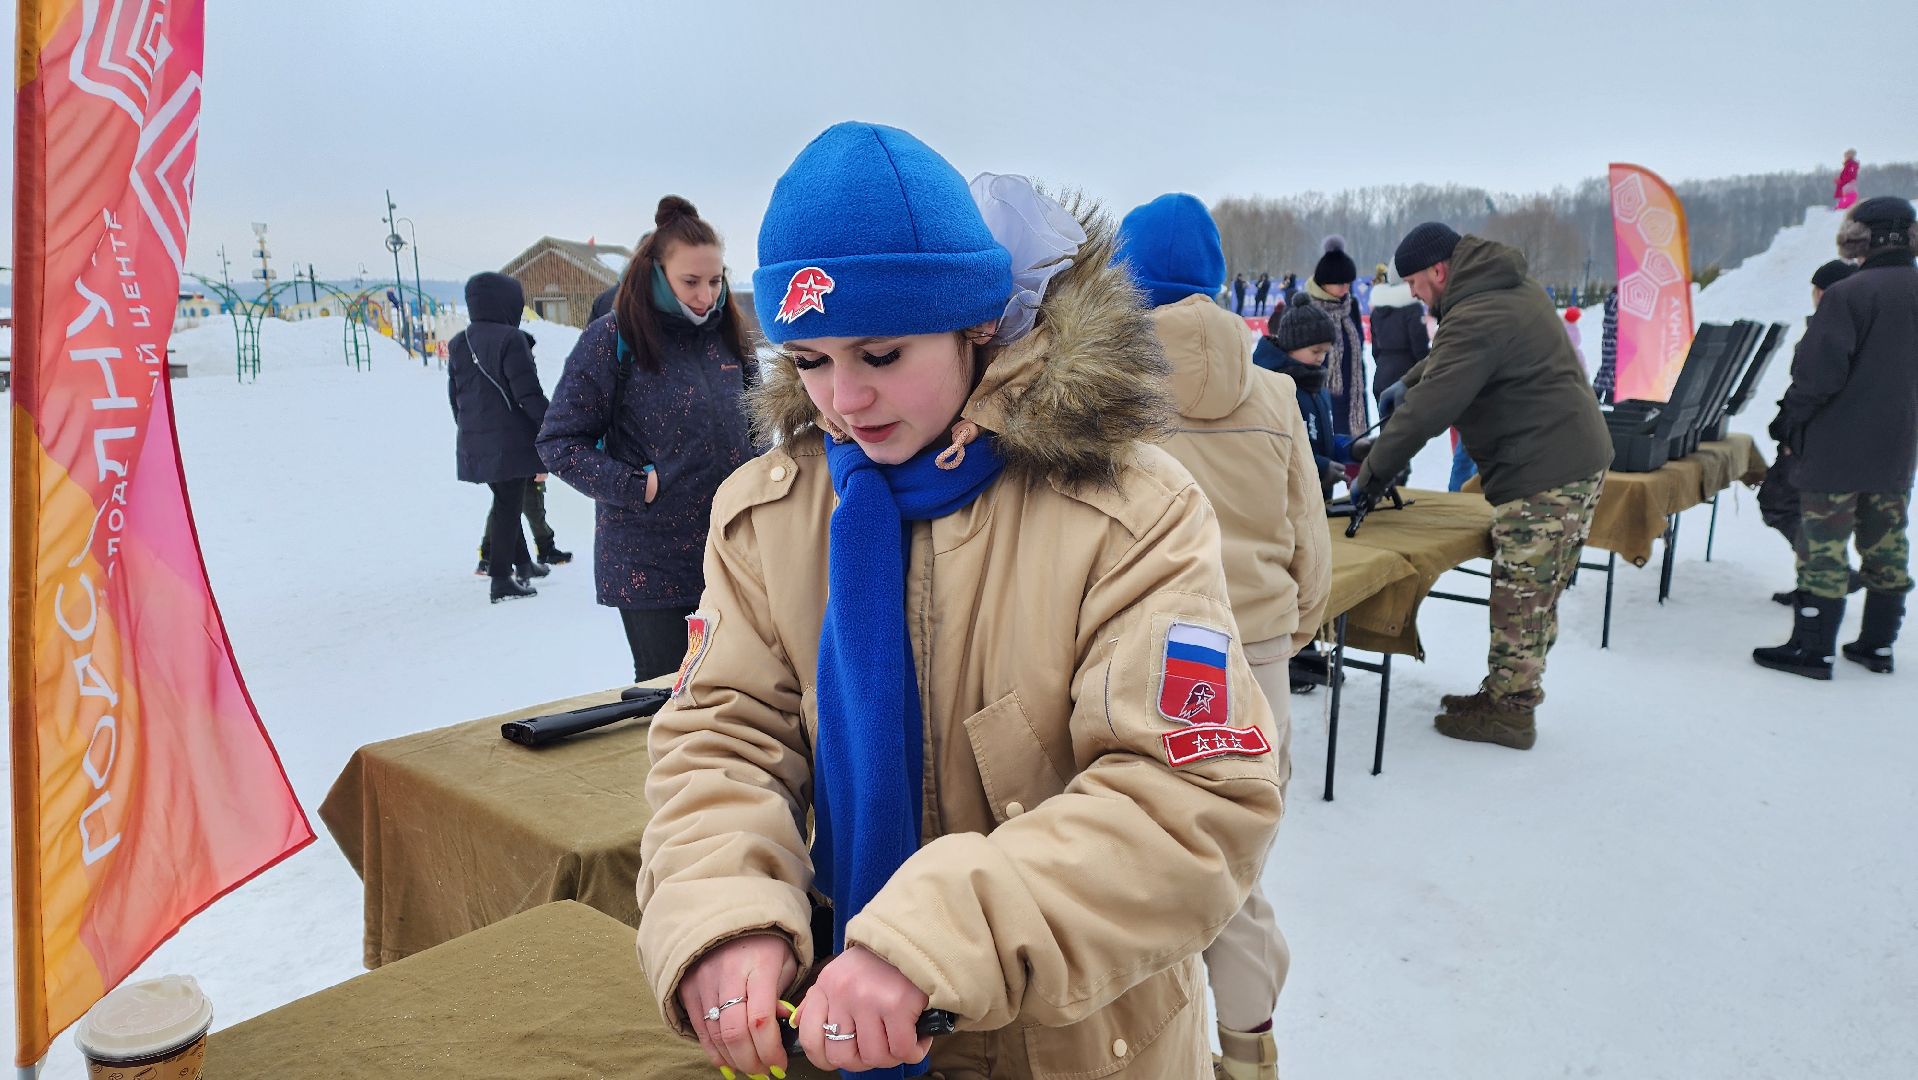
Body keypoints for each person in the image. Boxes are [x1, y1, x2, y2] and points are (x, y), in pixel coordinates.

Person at [635, 122, 1284, 1080]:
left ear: (975, 322)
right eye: (809, 360)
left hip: (1076, 1047)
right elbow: (720, 739)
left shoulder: (1128, 509)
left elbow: (1192, 797)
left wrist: (937, 937)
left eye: (882, 354)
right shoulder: (766, 514)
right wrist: (724, 909)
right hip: (834, 1034)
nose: (843, 400)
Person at [1118, 191, 1330, 1080]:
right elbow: (1309, 543)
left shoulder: (1109, 391)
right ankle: (1250, 1054)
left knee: (1138, 862)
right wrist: (1286, 628)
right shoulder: (1275, 391)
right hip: (1260, 658)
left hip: (1143, 661)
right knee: (1234, 872)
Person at [1354, 222, 1612, 750]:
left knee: (1522, 595)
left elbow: (1431, 409)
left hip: (1548, 469)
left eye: (1418, 286)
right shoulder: (1502, 288)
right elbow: (1451, 357)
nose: (1418, 298)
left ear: (1439, 271)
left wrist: (1372, 476)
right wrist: (1410, 381)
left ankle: (1510, 714)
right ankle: (1503, 695)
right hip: (1566, 458)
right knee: (1532, 592)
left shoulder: (1481, 311)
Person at [538, 196, 754, 685]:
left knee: (734, 687)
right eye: (691, 281)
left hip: (730, 553)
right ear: (655, 273)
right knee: (666, 693)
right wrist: (638, 486)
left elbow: (757, 424)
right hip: (650, 562)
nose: (706, 295)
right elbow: (559, 441)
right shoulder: (613, 338)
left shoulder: (728, 337)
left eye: (716, 281)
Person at [1756, 197, 1916, 679]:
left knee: (1824, 548)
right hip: (1897, 448)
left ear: (1861, 236)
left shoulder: (1851, 294)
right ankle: (1877, 646)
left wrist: (1788, 422)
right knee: (1886, 544)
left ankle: (1813, 650)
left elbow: (1818, 376)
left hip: (1836, 448)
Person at [1256, 299, 1350, 697]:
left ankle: (1306, 648)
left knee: (1311, 569)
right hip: (1281, 505)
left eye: (1325, 354)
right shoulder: (1272, 384)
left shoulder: (1312, 382)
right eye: (1315, 352)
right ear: (1291, 345)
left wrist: (1347, 449)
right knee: (1292, 573)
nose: (1321, 360)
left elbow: (1319, 436)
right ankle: (1288, 655)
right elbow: (1277, 450)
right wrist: (1320, 464)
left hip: (1316, 499)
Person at [1757, 259, 1859, 606]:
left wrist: (1791, 434)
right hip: (1827, 439)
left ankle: (1825, 576)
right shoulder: (1856, 324)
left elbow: (1811, 389)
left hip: (1810, 438)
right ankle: (1814, 580)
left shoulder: (1829, 329)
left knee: (1781, 505)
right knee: (1804, 512)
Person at [447, 272, 550, 603]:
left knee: (507, 501)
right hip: (510, 440)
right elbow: (528, 393)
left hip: (474, 438)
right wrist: (553, 425)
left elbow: (456, 396)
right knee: (508, 504)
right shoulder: (511, 339)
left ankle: (522, 564)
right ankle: (502, 578)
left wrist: (469, 431)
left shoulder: (460, 342)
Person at [1303, 237, 1368, 437]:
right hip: (1321, 392)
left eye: (1348, 282)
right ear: (1324, 283)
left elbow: (1359, 342)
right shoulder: (1307, 308)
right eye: (1339, 283)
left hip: (1354, 391)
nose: (1345, 288)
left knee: (1355, 449)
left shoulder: (1352, 306)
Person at [474, 473, 571, 576]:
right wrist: (541, 467)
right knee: (524, 503)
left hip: (505, 465)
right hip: (520, 465)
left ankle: (488, 556)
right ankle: (545, 549)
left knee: (504, 504)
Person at [1367, 275, 1430, 406]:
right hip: (1408, 376)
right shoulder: (1413, 308)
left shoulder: (1377, 310)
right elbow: (1420, 348)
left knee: (1387, 425)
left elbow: (1375, 350)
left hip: (1382, 375)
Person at [1593, 287, 1620, 403]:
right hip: (1614, 340)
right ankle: (1608, 395)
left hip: (1611, 339)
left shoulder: (1613, 300)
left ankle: (1598, 394)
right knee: (1611, 367)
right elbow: (1614, 323)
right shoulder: (1617, 301)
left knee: (1608, 367)